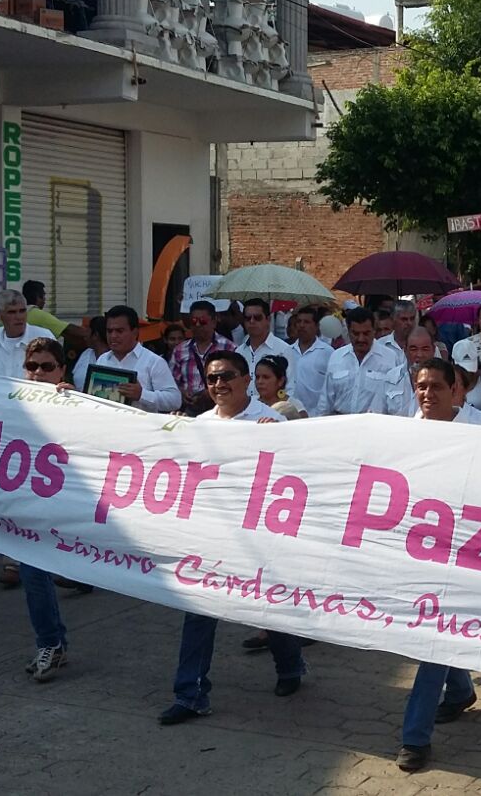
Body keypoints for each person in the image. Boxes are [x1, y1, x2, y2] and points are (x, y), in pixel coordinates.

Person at [160, 351, 303, 726]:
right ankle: (189, 693)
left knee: (267, 607)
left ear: (246, 380)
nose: (219, 385)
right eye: (211, 379)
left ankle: (290, 666)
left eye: (226, 377)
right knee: (200, 611)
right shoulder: (200, 424)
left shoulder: (268, 422)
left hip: (259, 537)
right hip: (213, 535)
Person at [395, 358, 481, 772]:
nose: (427, 393)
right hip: (418, 546)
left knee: (432, 633)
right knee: (436, 627)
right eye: (421, 386)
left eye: (435, 386)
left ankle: (415, 737)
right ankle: (460, 690)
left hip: (465, 547)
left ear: (458, 391)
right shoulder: (405, 430)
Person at [17, 338, 79, 681]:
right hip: (30, 501)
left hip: (71, 504)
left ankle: (53, 641)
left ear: (61, 371)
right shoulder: (13, 402)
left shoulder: (75, 402)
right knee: (32, 572)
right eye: (32, 367)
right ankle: (52, 642)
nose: (38, 374)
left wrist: (75, 404)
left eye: (46, 367)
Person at [316, 307, 413, 417]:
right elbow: (325, 401)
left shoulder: (390, 358)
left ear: (374, 331)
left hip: (375, 426)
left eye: (366, 333)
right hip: (340, 425)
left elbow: (397, 400)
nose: (361, 339)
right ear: (348, 331)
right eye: (356, 334)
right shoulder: (337, 357)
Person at [169, 300, 237, 415]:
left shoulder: (229, 348)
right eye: (194, 321)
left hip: (220, 410)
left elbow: (235, 381)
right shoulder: (179, 350)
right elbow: (171, 382)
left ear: (214, 322)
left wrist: (211, 392)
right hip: (189, 411)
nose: (198, 325)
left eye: (203, 321)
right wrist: (181, 392)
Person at [0, 290, 55, 379]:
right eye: (12, 312)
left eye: (22, 311)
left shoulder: (44, 337)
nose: (19, 317)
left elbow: (57, 373)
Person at [235, 299, 301, 398]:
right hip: (244, 411)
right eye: (248, 318)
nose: (252, 321)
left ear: (268, 320)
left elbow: (290, 389)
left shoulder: (283, 350)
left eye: (257, 318)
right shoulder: (239, 352)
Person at [287, 305, 334, 412]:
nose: (301, 325)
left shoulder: (328, 352)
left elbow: (331, 388)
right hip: (290, 415)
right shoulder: (286, 351)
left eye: (306, 322)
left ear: (317, 326)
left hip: (316, 417)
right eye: (299, 322)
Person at [254, 354, 307, 419]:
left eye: (266, 377)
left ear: (281, 381)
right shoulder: (250, 403)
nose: (260, 381)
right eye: (257, 377)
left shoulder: (295, 406)